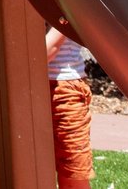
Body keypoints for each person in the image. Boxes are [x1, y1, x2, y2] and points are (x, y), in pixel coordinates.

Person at [47, 27, 94, 189]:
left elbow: (47, 50)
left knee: (72, 176)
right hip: (28, 85)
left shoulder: (63, 2)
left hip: (64, 90)